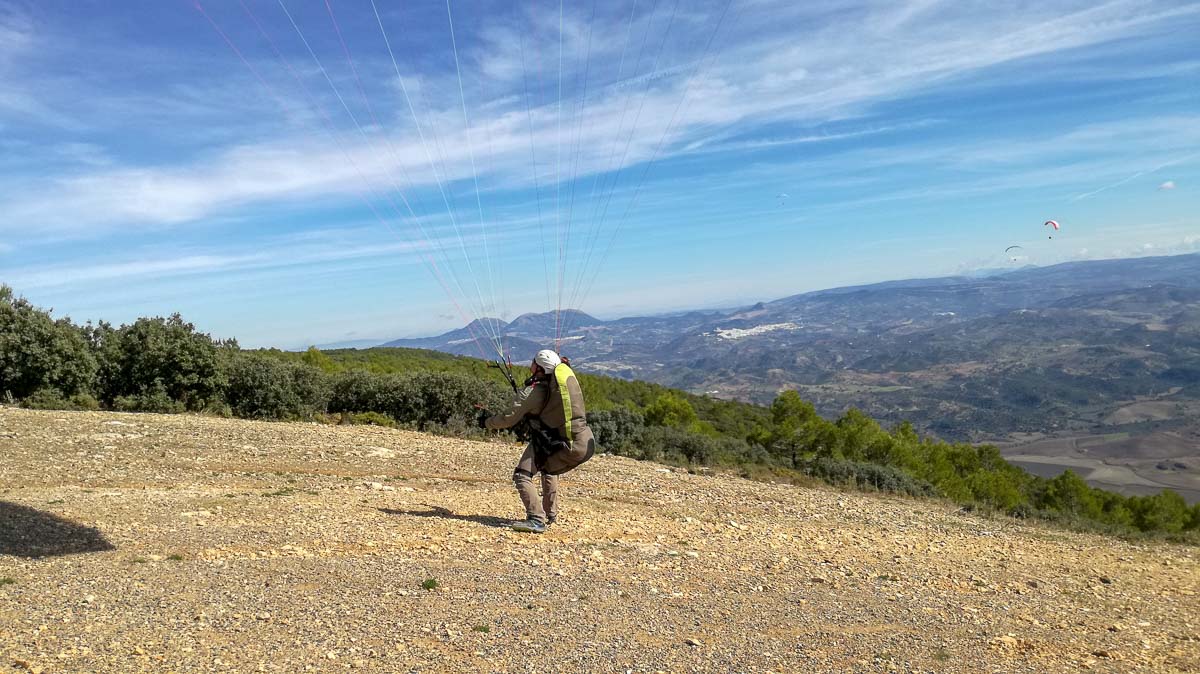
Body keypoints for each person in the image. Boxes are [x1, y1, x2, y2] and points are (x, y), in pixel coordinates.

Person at [479, 349, 595, 533]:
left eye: (533, 362)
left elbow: (508, 419)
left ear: (539, 368)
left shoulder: (534, 391)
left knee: (522, 474)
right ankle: (550, 514)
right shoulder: (556, 387)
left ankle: (536, 519)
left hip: (553, 441)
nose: (530, 364)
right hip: (578, 440)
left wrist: (486, 422)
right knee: (548, 469)